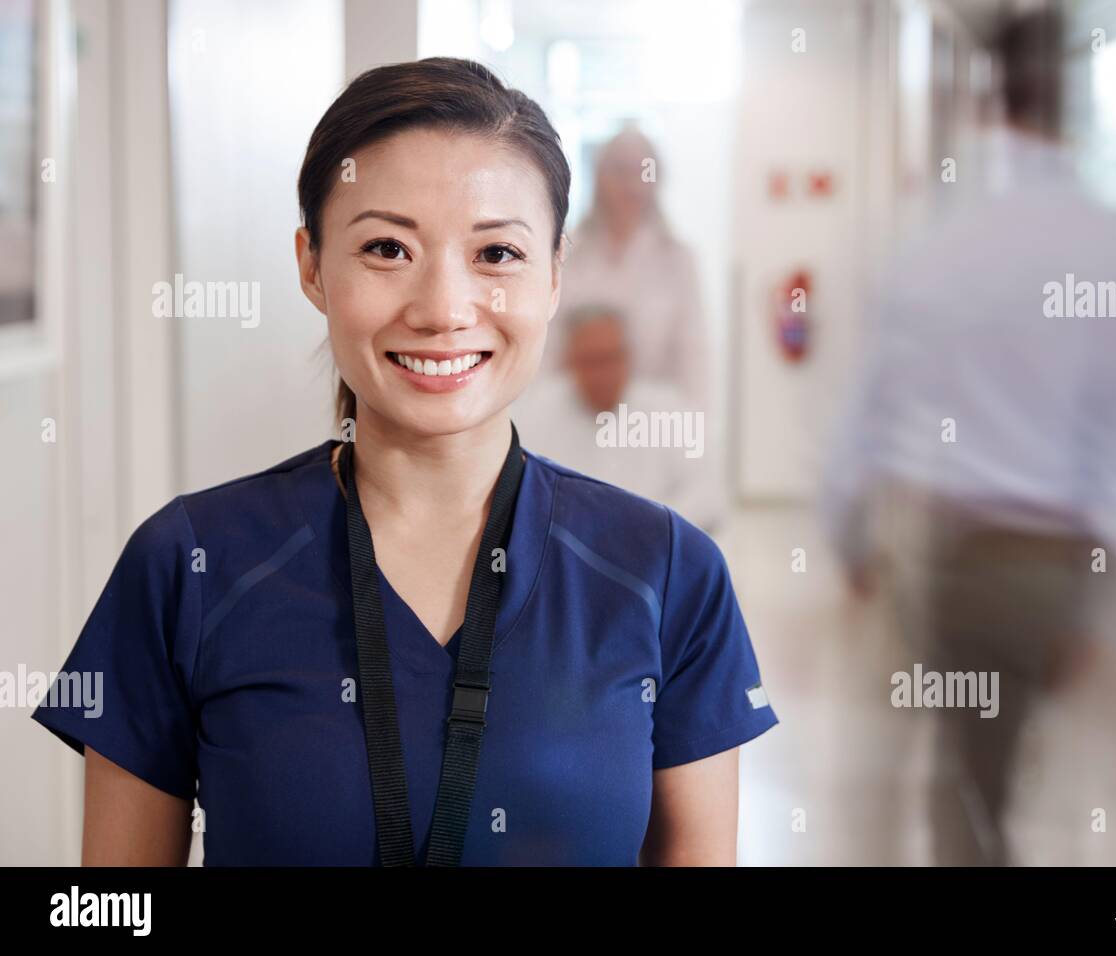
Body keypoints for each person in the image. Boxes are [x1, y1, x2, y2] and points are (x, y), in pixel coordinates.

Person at [31, 57, 777, 866]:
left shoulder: (668, 575)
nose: (442, 310)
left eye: (496, 255)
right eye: (387, 248)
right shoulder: (189, 565)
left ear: (557, 271)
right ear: (312, 265)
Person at [821, 7, 1116, 865]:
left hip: (930, 542)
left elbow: (870, 412)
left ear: (990, 104)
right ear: (1072, 104)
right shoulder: (1115, 250)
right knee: (989, 779)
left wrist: (845, 534)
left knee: (905, 776)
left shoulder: (943, 240)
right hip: (1043, 559)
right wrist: (1088, 597)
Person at [537, 125, 709, 407]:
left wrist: (695, 431)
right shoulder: (565, 252)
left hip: (654, 420)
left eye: (642, 170)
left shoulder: (677, 259)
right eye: (619, 169)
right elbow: (546, 347)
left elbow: (695, 358)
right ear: (599, 176)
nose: (631, 182)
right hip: (574, 415)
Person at [512, 303, 720, 532]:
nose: (603, 372)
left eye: (611, 357)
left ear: (628, 357)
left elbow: (708, 497)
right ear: (570, 361)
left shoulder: (668, 408)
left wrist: (643, 527)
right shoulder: (534, 414)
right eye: (592, 360)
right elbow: (519, 496)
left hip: (654, 549)